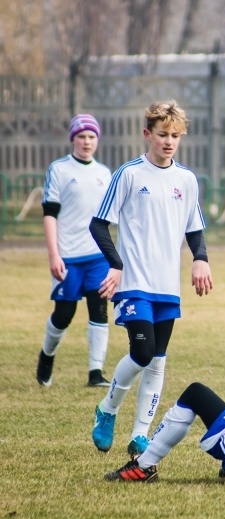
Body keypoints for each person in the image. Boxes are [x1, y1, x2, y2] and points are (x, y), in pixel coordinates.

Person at [88, 100, 213, 459]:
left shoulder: (186, 180)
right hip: (133, 282)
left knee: (158, 359)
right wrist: (115, 264)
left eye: (175, 135)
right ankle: (108, 409)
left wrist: (200, 260)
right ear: (147, 134)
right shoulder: (129, 174)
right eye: (162, 135)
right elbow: (99, 224)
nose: (169, 141)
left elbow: (195, 229)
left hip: (166, 287)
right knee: (141, 352)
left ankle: (140, 435)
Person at [36, 114, 113, 388]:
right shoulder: (59, 169)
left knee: (99, 309)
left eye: (92, 136)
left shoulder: (104, 174)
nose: (87, 142)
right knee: (64, 314)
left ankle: (95, 373)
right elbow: (49, 214)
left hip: (97, 256)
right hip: (67, 256)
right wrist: (53, 255)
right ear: (73, 139)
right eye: (81, 136)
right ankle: (47, 355)